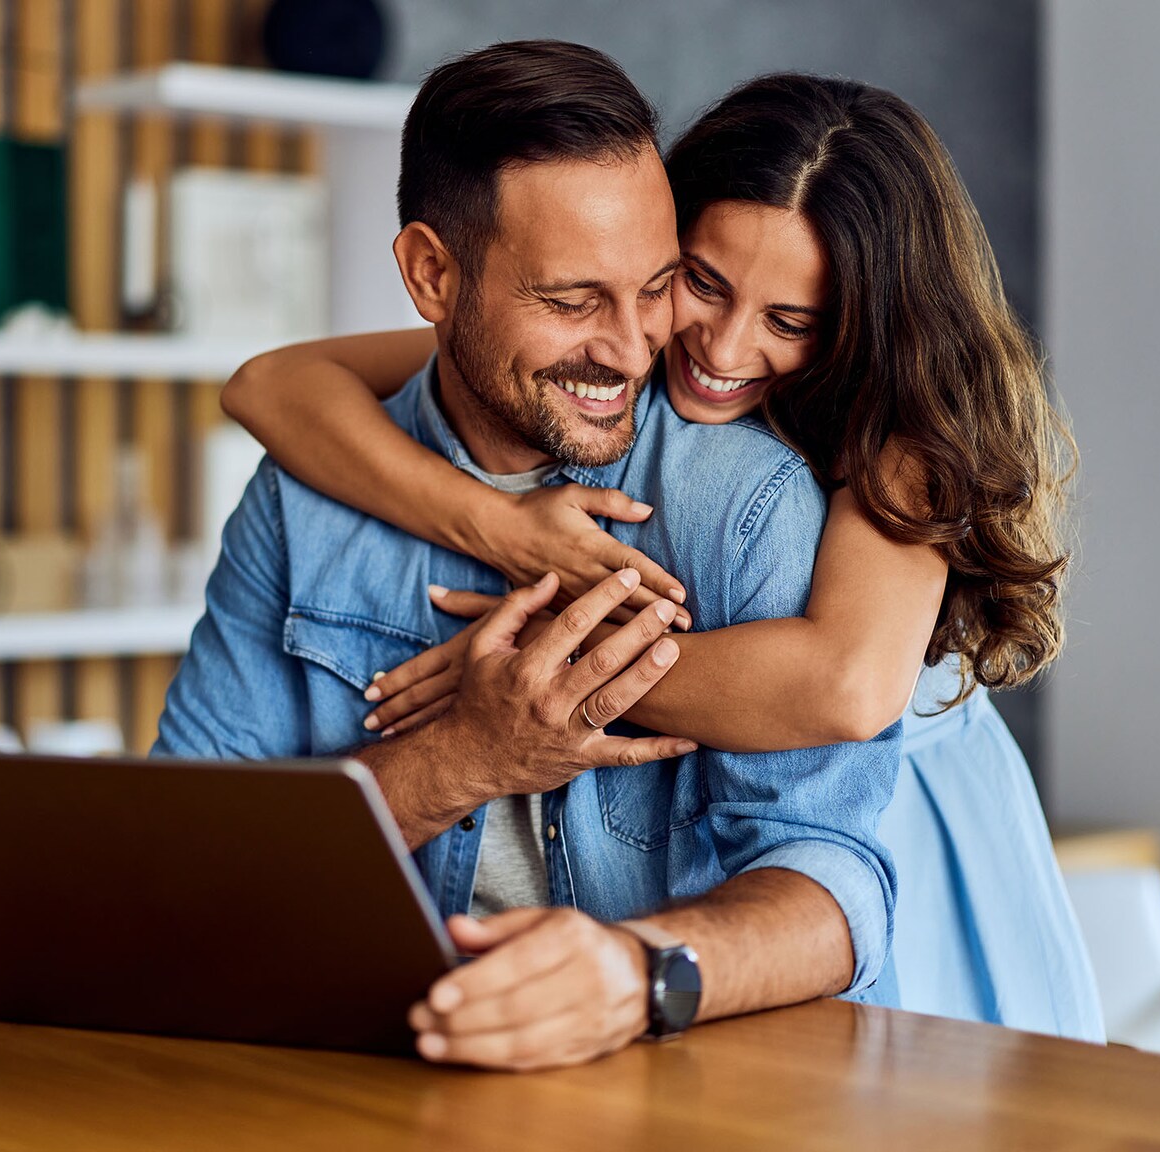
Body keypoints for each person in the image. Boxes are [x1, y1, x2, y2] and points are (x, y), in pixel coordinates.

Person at [220, 73, 1102, 1041]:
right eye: (699, 283)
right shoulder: (604, 344)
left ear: (863, 322)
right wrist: (497, 525)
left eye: (789, 321)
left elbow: (847, 688)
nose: (719, 348)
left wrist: (539, 679)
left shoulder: (899, 428)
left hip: (904, 812)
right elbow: (275, 383)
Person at [151, 41, 901, 1072]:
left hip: (695, 1095)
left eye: (653, 287)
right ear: (430, 275)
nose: (638, 349)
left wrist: (633, 973)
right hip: (377, 1077)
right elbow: (177, 867)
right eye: (570, 301)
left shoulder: (748, 501)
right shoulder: (301, 500)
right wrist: (460, 757)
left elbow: (838, 888)